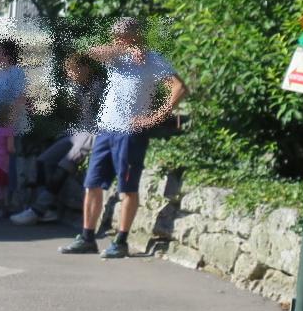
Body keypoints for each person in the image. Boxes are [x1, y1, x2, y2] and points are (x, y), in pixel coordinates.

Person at [59, 17, 186, 260]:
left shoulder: (153, 60)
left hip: (130, 132)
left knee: (127, 187)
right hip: (106, 129)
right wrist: (125, 48)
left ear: (135, 35)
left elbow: (179, 88)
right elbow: (88, 53)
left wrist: (155, 117)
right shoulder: (116, 56)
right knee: (91, 184)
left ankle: (121, 241)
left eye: (121, 35)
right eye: (114, 35)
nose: (116, 39)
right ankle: (87, 238)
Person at [11, 55, 103, 225]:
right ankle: (50, 211)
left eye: (72, 70)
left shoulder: (99, 87)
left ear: (85, 69)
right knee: (43, 160)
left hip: (94, 133)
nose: (69, 75)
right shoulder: (74, 87)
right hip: (76, 131)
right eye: (67, 71)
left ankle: (38, 209)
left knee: (66, 163)